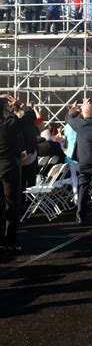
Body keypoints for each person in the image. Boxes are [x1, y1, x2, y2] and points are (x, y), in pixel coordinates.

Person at [0, 96, 24, 254]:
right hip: (8, 166)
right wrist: (18, 106)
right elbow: (23, 117)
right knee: (12, 205)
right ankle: (10, 242)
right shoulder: (9, 123)